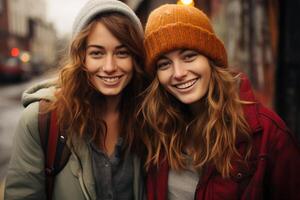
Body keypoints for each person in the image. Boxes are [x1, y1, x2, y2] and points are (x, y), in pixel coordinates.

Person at [139, 4, 300, 200]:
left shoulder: (268, 135)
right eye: (164, 64)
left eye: (189, 57)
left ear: (211, 59)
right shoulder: (157, 132)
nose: (179, 73)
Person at [4, 0, 147, 199]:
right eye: (97, 53)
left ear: (136, 58)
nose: (109, 66)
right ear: (81, 58)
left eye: (122, 53)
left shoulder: (149, 116)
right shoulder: (41, 120)